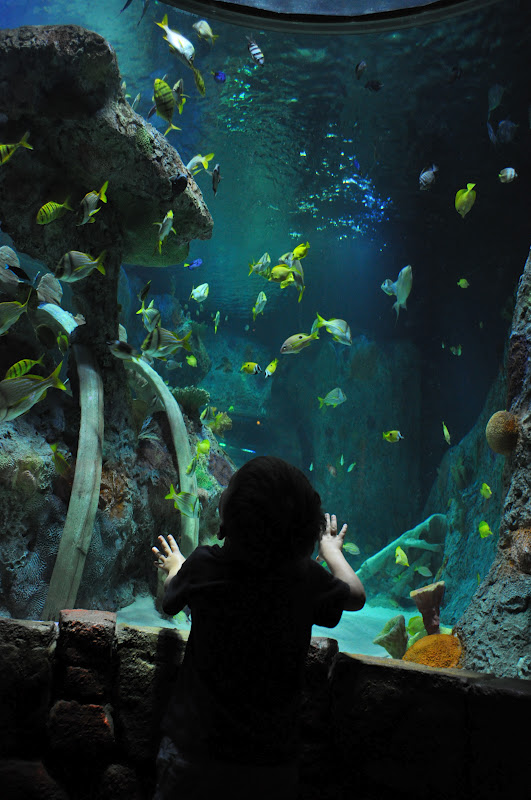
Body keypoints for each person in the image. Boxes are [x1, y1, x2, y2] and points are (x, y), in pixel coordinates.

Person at [151, 455, 365, 800]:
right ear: (305, 531)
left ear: (228, 516)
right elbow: (355, 595)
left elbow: (170, 599)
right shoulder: (304, 580)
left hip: (195, 749)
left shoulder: (204, 565)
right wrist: (331, 550)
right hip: (270, 761)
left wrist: (177, 565)